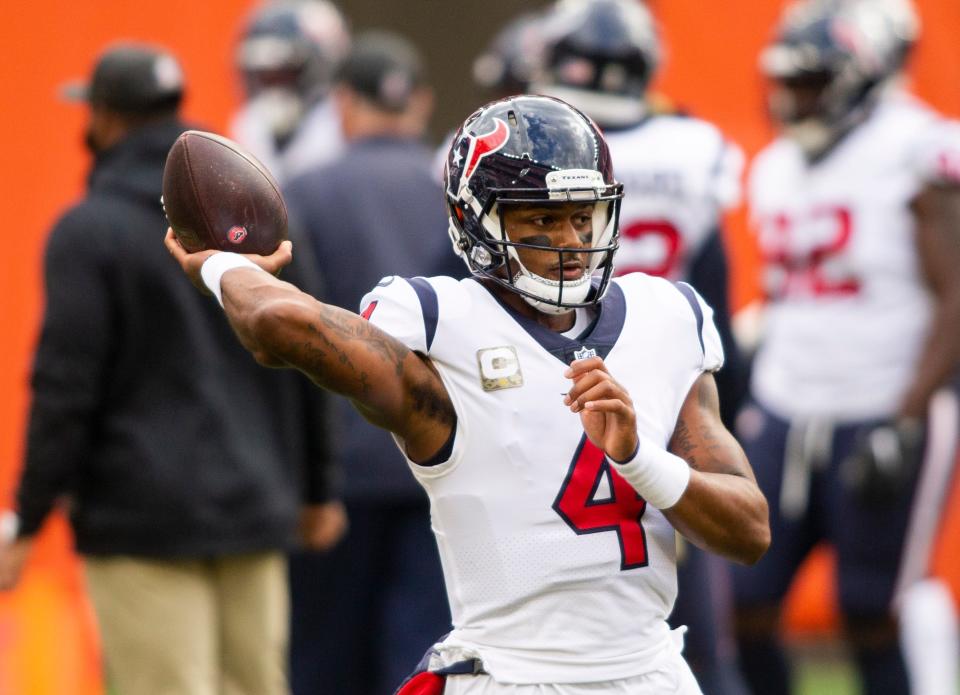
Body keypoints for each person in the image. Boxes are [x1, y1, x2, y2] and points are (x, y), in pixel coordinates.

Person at [166, 93, 770, 695]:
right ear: (474, 219)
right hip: (514, 676)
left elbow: (749, 533)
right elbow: (279, 327)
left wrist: (641, 459)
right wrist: (224, 265)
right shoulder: (439, 325)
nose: (570, 242)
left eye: (582, 216)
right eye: (540, 219)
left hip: (652, 673)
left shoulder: (664, 314)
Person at [0, 43, 342, 695]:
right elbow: (313, 343)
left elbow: (64, 390)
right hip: (255, 500)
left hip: (139, 517)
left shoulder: (89, 230)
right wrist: (319, 487)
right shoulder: (253, 215)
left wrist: (29, 514)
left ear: (101, 117)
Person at [731, 1, 960, 694]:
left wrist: (908, 414)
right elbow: (788, 295)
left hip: (880, 402)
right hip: (785, 402)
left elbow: (956, 290)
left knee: (869, 610)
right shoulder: (773, 165)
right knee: (742, 597)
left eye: (811, 80)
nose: (794, 96)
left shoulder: (914, 147)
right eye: (789, 79)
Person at [532, 2, 751, 693]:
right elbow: (715, 293)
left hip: (560, 374)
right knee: (690, 609)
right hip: (670, 373)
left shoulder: (544, 147)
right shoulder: (693, 147)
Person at [281, 31, 460, 695]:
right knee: (422, 657)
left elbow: (287, 334)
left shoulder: (305, 189)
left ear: (343, 103)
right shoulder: (456, 193)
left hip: (342, 463)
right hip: (439, 453)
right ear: (419, 101)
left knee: (326, 661)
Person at [231, 0, 350, 185]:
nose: (273, 88)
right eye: (264, 76)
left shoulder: (343, 126)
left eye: (284, 74)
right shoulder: (250, 125)